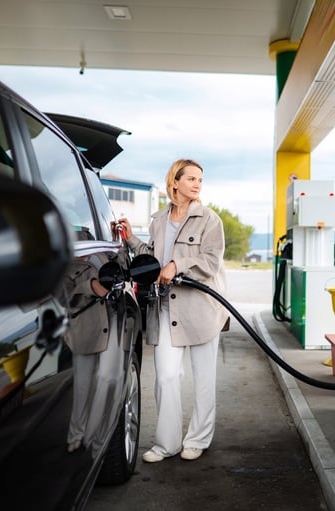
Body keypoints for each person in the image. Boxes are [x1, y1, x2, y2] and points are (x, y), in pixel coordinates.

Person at [114, 158, 228, 463]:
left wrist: (179, 264)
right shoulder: (159, 220)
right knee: (165, 376)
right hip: (166, 305)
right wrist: (130, 239)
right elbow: (152, 258)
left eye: (199, 180)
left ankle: (198, 439)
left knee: (203, 379)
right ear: (173, 182)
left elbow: (211, 261)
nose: (196, 184)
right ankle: (167, 444)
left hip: (202, 308)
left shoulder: (209, 220)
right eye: (190, 178)